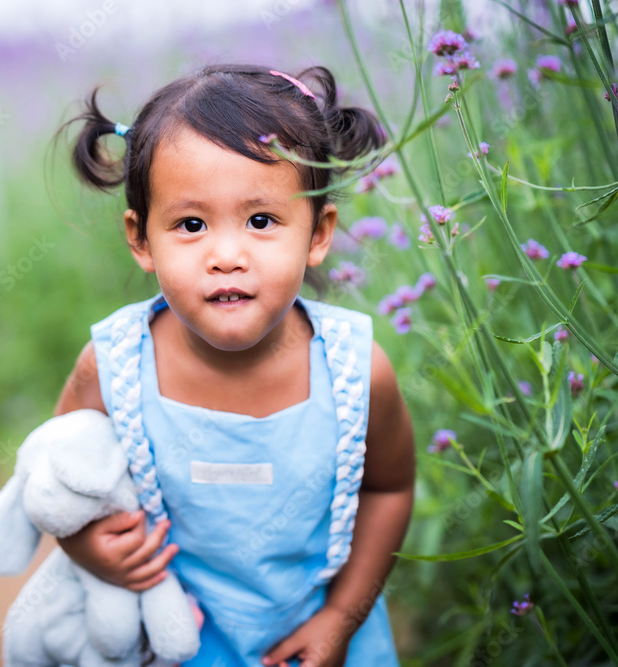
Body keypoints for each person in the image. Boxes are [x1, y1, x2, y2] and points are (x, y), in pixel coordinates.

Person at [52, 63, 415, 667]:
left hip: (323, 641)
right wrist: (85, 544)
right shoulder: (113, 366)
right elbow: (60, 484)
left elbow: (389, 488)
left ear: (318, 233)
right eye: (191, 225)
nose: (227, 256)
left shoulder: (355, 371)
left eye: (261, 221)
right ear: (141, 239)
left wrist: (340, 618)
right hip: (174, 641)